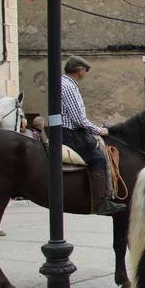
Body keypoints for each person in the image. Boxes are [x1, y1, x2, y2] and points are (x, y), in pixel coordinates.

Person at [60, 56, 126, 215]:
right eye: (85, 70)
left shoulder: (65, 83)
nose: (86, 73)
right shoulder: (69, 86)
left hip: (67, 130)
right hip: (70, 133)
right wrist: (98, 130)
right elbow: (78, 119)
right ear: (79, 70)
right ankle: (101, 203)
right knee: (98, 158)